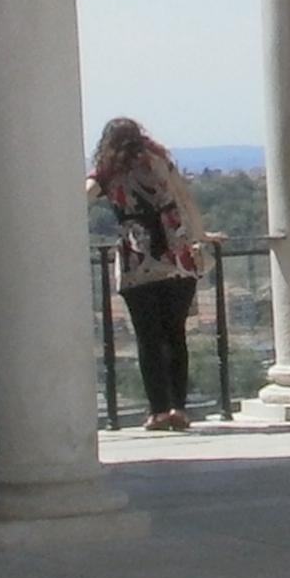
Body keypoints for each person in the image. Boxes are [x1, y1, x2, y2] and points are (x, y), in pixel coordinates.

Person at [92, 116, 205, 430]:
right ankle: (178, 408)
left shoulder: (107, 173)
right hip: (176, 255)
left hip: (137, 259)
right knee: (175, 335)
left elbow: (82, 198)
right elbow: (185, 199)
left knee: (148, 338)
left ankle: (158, 410)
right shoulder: (160, 163)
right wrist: (201, 235)